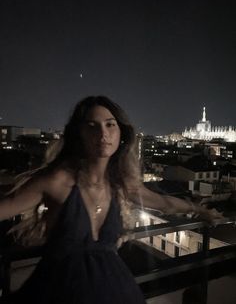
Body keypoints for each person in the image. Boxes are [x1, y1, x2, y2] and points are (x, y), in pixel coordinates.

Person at [0, 96, 222, 304]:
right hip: (61, 291)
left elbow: (164, 203)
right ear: (78, 134)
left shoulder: (120, 183)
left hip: (114, 288)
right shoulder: (58, 181)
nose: (103, 134)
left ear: (121, 133)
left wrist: (200, 211)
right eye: (92, 126)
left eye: (110, 124)